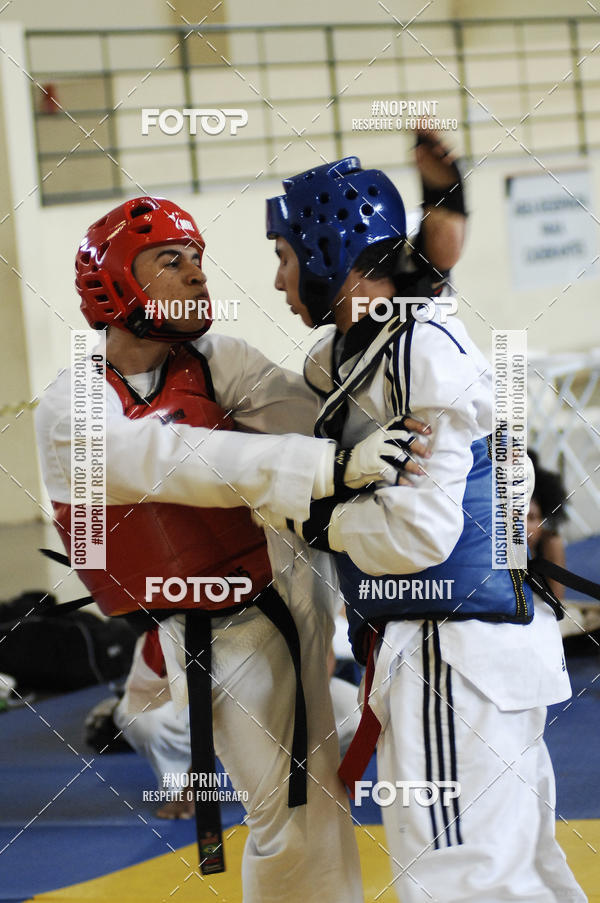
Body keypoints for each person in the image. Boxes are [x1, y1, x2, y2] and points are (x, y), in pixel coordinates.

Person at [35, 195, 434, 901]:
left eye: (196, 259)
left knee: (324, 792)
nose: (195, 275)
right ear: (116, 281)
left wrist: (420, 392)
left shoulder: (220, 360)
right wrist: (330, 468)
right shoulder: (75, 404)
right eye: (170, 260)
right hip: (209, 635)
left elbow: (318, 416)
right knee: (289, 811)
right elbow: (172, 456)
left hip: (295, 597)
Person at [266, 142, 587, 902]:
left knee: (457, 880)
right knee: (515, 872)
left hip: (453, 654)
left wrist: (318, 516)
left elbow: (418, 535)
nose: (279, 279)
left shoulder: (420, 351)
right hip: (468, 646)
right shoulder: (367, 348)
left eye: (284, 257)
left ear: (330, 253)